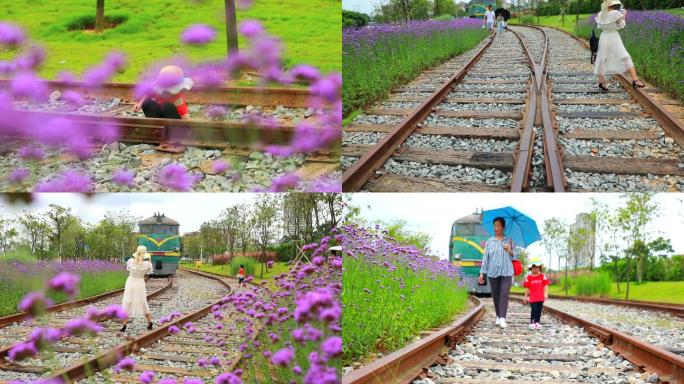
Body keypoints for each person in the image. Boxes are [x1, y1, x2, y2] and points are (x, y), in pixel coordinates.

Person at [594, 0, 645, 91]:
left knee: (602, 59)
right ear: (613, 4)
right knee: (625, 57)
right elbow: (621, 25)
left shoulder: (600, 14)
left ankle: (602, 82)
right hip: (613, 37)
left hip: (603, 37)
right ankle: (635, 80)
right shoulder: (616, 13)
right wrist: (624, 15)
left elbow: (600, 26)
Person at [478, 217, 519, 328]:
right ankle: (498, 315)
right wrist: (482, 273)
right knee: (496, 294)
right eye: (495, 225)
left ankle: (502, 318)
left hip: (507, 271)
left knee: (504, 293)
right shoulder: (490, 241)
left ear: (503, 227)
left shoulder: (510, 240)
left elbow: (516, 255)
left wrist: (509, 250)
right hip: (492, 272)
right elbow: (486, 257)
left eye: (498, 226)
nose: (496, 228)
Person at [120, 246, 154, 332]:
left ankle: (124, 324)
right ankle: (150, 322)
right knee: (143, 302)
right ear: (145, 254)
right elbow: (149, 272)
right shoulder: (147, 264)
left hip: (130, 282)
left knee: (127, 301)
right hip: (140, 284)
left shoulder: (130, 261)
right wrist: (149, 259)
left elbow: (128, 270)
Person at [522, 258, 549, 330]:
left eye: (537, 267)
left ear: (540, 268)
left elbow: (545, 285)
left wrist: (545, 293)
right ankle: (532, 322)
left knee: (539, 310)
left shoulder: (543, 276)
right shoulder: (529, 277)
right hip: (533, 298)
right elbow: (527, 288)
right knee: (534, 310)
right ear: (531, 268)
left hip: (540, 297)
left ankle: (537, 322)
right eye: (534, 268)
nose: (536, 269)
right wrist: (525, 297)